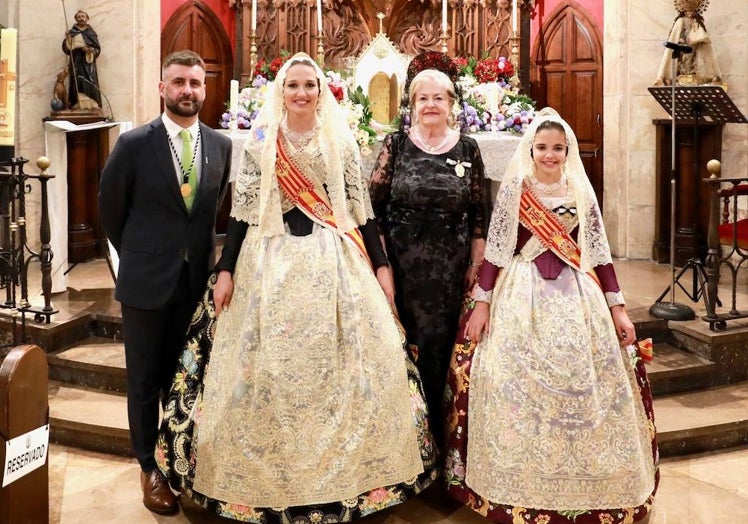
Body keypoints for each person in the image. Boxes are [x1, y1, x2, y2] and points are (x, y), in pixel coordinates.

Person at [155, 52, 438, 522]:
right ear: (280, 91)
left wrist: (381, 267)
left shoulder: (339, 140)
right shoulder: (263, 139)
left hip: (334, 259)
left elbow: (361, 210)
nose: (302, 93)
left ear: (321, 90)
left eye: (310, 85)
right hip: (268, 257)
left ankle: (355, 477)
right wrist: (226, 270)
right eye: (293, 85)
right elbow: (243, 212)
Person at [443, 108, 659, 523]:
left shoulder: (580, 190)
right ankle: (516, 480)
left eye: (557, 148)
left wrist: (617, 308)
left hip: (577, 293)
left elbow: (600, 255)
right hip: (521, 291)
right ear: (530, 149)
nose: (549, 155)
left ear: (568, 151)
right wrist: (483, 301)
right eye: (542, 147)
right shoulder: (515, 190)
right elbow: (497, 251)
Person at [98, 50, 232, 515]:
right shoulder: (134, 144)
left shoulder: (220, 145)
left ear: (205, 88)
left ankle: (177, 461)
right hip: (146, 283)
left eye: (196, 83)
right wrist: (143, 254)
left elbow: (214, 214)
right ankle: (147, 467)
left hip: (195, 283)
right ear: (162, 87)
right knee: (144, 382)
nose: (188, 91)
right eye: (178, 82)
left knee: (184, 379)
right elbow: (111, 213)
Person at [369, 59, 492, 451]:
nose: (430, 104)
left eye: (438, 97)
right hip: (403, 265)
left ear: (452, 103)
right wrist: (381, 260)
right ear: (411, 103)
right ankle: (406, 441)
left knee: (441, 347)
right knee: (405, 343)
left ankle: (441, 440)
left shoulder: (468, 148)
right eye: (422, 98)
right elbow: (373, 207)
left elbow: (478, 212)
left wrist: (475, 261)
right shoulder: (397, 144)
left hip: (450, 267)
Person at [654, 0, 722, 86]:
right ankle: (677, 77)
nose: (690, 14)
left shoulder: (697, 22)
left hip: (694, 47)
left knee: (694, 61)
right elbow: (675, 35)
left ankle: (697, 76)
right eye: (688, 12)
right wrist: (680, 39)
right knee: (683, 61)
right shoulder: (680, 21)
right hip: (681, 46)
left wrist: (698, 38)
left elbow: (702, 36)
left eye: (692, 12)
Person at [62, 10, 102, 108]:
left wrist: (90, 50)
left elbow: (97, 48)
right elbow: (66, 49)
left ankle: (91, 102)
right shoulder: (72, 32)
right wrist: (68, 39)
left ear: (87, 18)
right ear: (76, 19)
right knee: (76, 81)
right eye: (79, 17)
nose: (81, 18)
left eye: (83, 16)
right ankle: (76, 102)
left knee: (89, 81)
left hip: (88, 63)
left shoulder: (91, 33)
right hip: (76, 62)